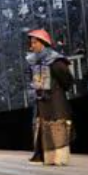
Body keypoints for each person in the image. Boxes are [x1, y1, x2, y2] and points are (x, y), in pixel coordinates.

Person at [26, 29, 74, 166]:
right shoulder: (34, 60)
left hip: (55, 99)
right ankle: (45, 156)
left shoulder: (55, 60)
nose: (32, 46)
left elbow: (67, 80)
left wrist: (56, 90)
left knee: (57, 126)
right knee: (43, 126)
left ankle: (60, 157)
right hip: (41, 99)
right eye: (31, 43)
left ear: (43, 43)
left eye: (35, 42)